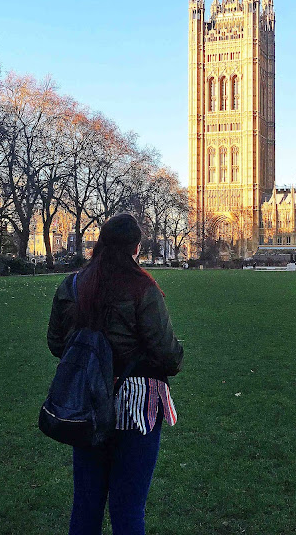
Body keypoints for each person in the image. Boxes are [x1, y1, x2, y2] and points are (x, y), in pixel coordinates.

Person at [47, 213, 184, 535]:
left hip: (87, 401)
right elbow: (166, 353)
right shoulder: (142, 287)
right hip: (136, 404)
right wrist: (177, 354)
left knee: (86, 502)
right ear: (136, 247)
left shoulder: (73, 284)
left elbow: (56, 344)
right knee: (128, 506)